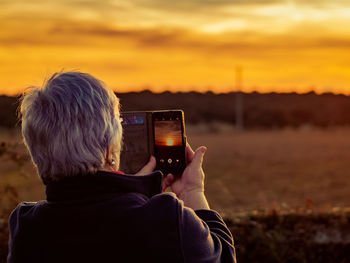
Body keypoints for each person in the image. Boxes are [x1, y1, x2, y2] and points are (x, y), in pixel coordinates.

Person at [8, 71, 236, 263]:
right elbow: (222, 255)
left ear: (36, 153)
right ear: (109, 150)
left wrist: (134, 193)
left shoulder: (26, 227)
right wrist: (191, 192)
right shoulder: (166, 221)